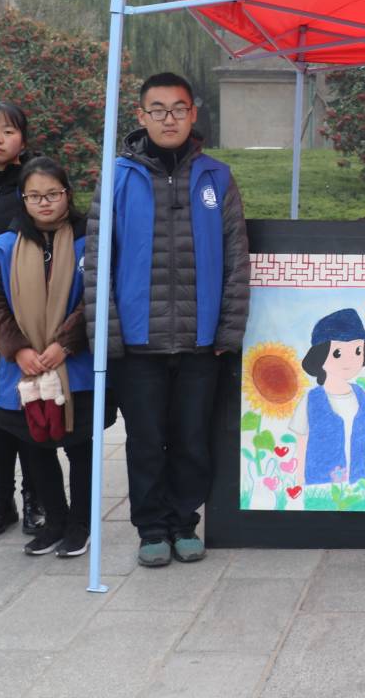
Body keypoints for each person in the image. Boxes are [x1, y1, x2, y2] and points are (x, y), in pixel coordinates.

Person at [85, 73, 250, 568]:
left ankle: (184, 522)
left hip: (201, 340)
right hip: (139, 342)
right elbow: (97, 262)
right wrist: (107, 334)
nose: (169, 119)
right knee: (144, 442)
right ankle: (152, 528)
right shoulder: (117, 177)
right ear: (141, 116)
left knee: (192, 440)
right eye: (157, 110)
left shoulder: (216, 178)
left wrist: (228, 330)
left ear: (193, 114)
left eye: (178, 109)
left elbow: (237, 259)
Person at [0, 157, 108, 556]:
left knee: (79, 446)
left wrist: (64, 344)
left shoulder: (90, 240)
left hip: (75, 366)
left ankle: (81, 525)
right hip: (25, 368)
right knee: (34, 445)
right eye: (34, 196)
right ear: (23, 199)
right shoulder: (6, 245)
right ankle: (55, 520)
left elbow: (96, 298)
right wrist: (18, 349)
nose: (44, 203)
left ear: (67, 194)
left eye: (53, 194)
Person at [0, 101, 42, 539]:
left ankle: (37, 496)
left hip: (22, 316)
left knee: (25, 407)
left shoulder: (33, 184)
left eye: (8, 131)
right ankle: (2, 500)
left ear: (23, 139)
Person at [290, 308, 365, 487]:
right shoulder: (310, 401)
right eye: (337, 353)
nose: (350, 360)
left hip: (360, 488)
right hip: (320, 488)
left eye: (357, 351)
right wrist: (299, 486)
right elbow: (301, 447)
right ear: (320, 356)